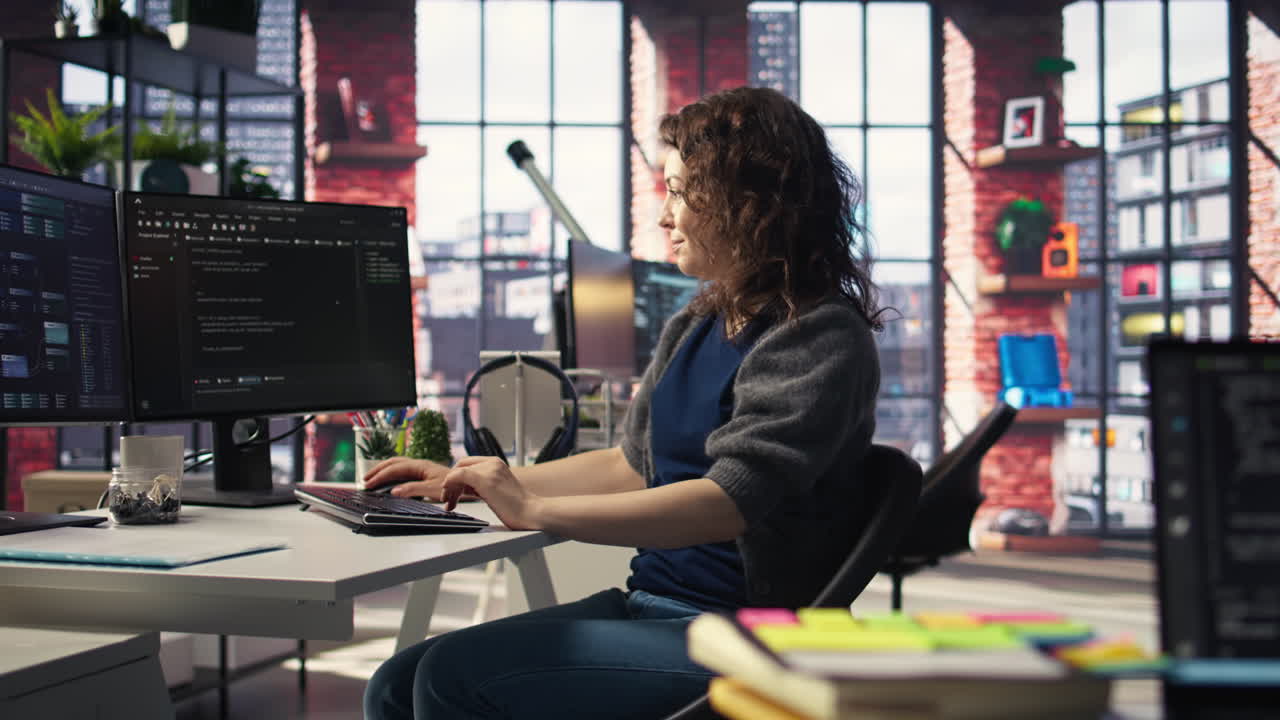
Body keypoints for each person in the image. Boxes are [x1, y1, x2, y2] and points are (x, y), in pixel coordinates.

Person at [362, 85, 885, 720]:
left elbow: (728, 505)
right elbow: (630, 463)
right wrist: (469, 481)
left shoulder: (817, 334)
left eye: (678, 191)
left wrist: (534, 507)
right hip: (656, 605)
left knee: (451, 678)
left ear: (750, 203)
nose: (664, 217)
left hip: (743, 631)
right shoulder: (698, 320)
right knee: (396, 681)